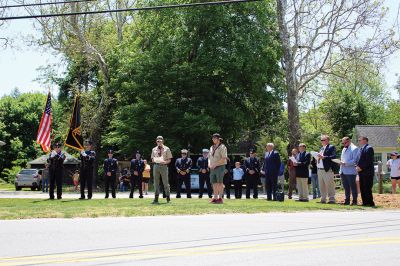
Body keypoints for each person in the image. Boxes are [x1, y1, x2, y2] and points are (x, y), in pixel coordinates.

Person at [151, 136, 173, 204]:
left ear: (163, 141)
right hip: (156, 166)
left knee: (165, 183)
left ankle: (168, 198)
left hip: (164, 166)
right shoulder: (154, 149)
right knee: (156, 183)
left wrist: (165, 162)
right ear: (156, 142)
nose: (159, 142)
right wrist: (155, 160)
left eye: (160, 141)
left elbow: (169, 159)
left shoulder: (167, 148)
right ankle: (156, 198)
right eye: (158, 141)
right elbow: (152, 158)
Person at [208, 133, 228, 204]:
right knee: (214, 183)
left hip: (220, 166)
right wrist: (209, 164)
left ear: (219, 139)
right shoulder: (211, 147)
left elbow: (223, 158)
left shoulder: (222, 147)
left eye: (215, 138)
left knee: (220, 183)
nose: (213, 139)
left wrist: (215, 165)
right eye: (213, 138)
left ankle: (220, 198)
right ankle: (215, 198)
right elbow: (209, 157)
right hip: (212, 167)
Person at [339, 137, 359, 205]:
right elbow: (343, 159)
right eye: (343, 143)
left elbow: (355, 160)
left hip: (350, 171)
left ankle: (354, 201)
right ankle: (347, 200)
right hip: (343, 171)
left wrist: (346, 163)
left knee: (353, 187)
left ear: (349, 141)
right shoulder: (344, 149)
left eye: (345, 143)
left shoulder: (354, 148)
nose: (344, 144)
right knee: (346, 187)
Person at [317, 135, 337, 204]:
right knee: (321, 185)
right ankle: (323, 199)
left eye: (323, 140)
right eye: (321, 140)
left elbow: (333, 156)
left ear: (328, 140)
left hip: (327, 169)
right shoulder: (321, 148)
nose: (322, 141)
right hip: (320, 169)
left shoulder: (331, 147)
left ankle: (332, 199)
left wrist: (324, 157)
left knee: (329, 184)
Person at [356, 136, 375, 207]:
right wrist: (357, 166)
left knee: (367, 188)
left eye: (359, 140)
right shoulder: (361, 149)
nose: (359, 141)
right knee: (362, 188)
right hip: (361, 172)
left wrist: (361, 168)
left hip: (367, 172)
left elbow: (368, 161)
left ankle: (370, 203)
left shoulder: (369, 148)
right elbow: (360, 160)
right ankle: (365, 202)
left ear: (365, 140)